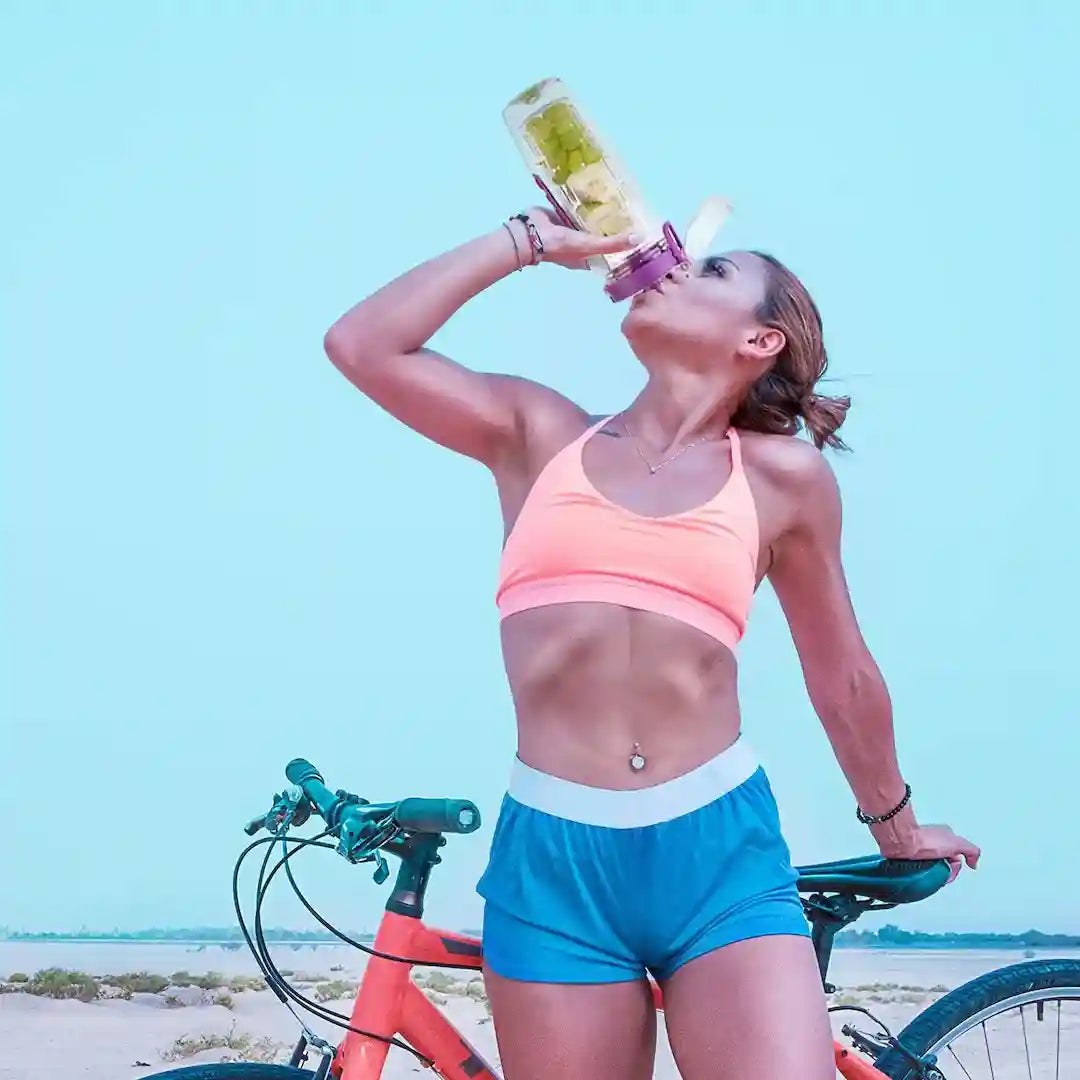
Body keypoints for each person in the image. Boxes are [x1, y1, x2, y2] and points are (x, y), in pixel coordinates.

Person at [323, 208, 981, 1080]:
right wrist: (525, 244)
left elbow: (843, 673)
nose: (669, 266)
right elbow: (361, 346)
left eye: (711, 272)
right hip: (553, 861)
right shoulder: (539, 434)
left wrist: (896, 826)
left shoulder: (782, 479)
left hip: (716, 856)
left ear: (761, 339)